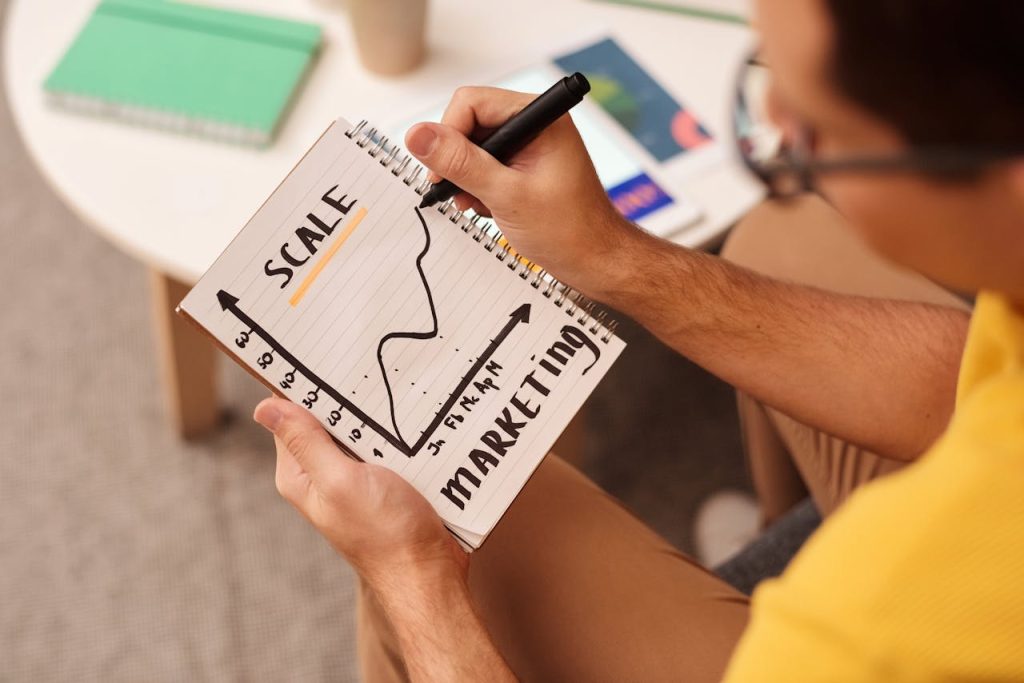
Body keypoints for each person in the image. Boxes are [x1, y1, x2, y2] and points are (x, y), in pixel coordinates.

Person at [251, 0, 1024, 679]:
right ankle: (781, 537)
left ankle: (774, 566)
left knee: (445, 515)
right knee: (781, 231)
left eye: (817, 127)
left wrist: (411, 576)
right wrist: (610, 254)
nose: (774, 125)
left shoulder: (875, 631)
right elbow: (974, 384)